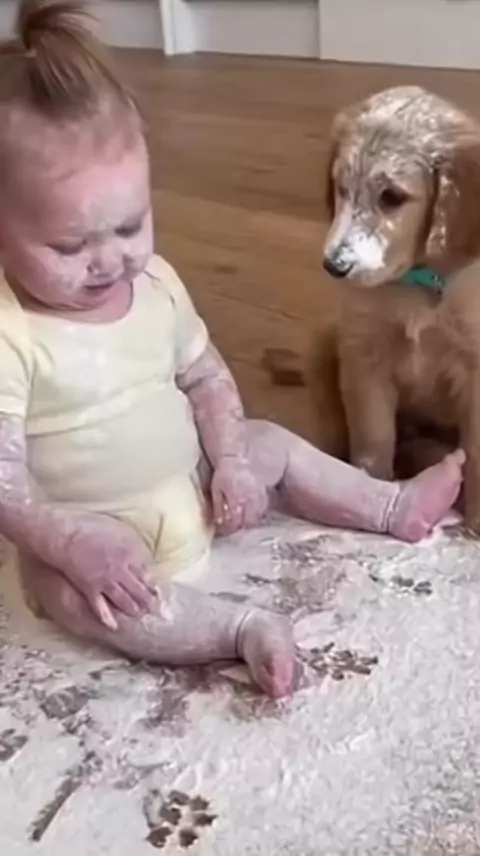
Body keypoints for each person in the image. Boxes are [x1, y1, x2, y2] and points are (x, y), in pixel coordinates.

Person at [0, 0, 465, 699]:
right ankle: (234, 629)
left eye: (130, 226)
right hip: (99, 541)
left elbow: (206, 376)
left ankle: (386, 506)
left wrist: (232, 460)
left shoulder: (155, 285)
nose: (110, 260)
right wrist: (66, 540)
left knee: (267, 438)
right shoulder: (11, 331)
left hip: (192, 489)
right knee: (65, 594)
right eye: (70, 245)